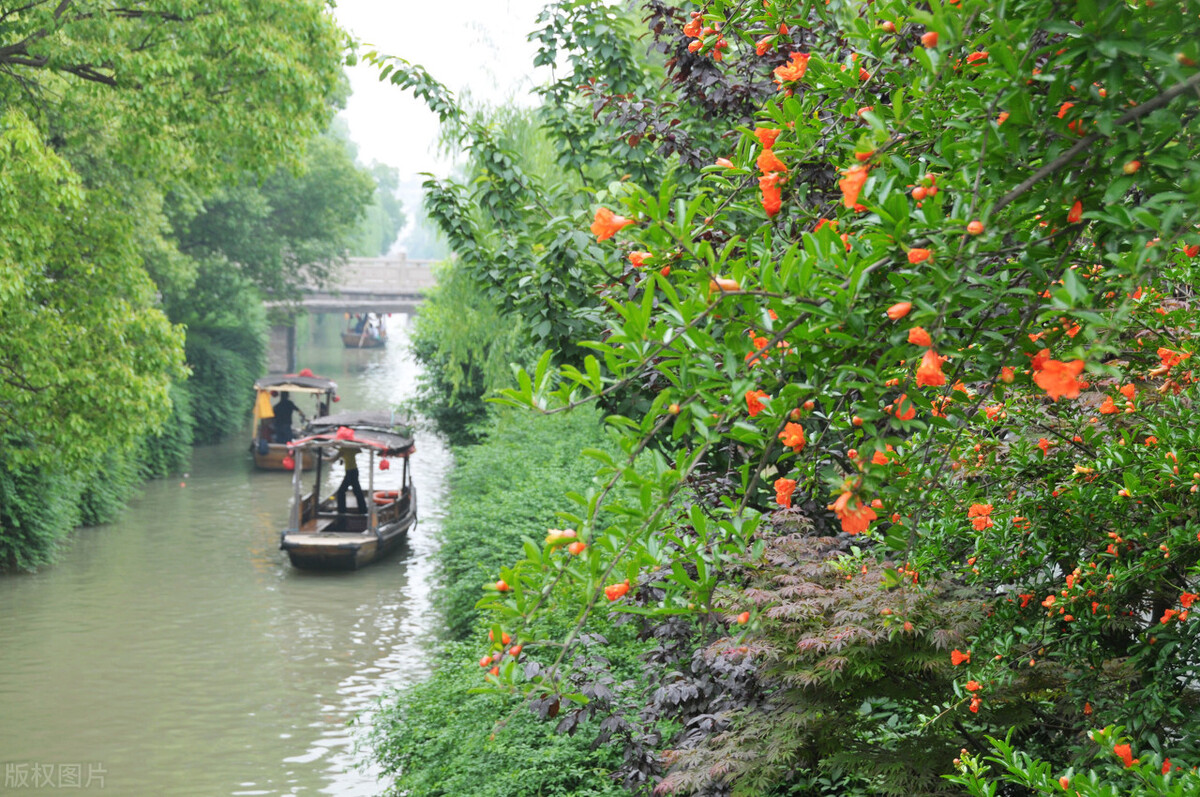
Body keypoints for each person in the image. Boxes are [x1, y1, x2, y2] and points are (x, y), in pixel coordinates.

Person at [335, 448, 367, 523]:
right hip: (354, 471)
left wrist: (323, 458)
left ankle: (342, 511)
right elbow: (359, 450)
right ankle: (363, 510)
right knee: (357, 491)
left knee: (341, 492)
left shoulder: (343, 449)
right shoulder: (350, 448)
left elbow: (333, 459)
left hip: (350, 472)